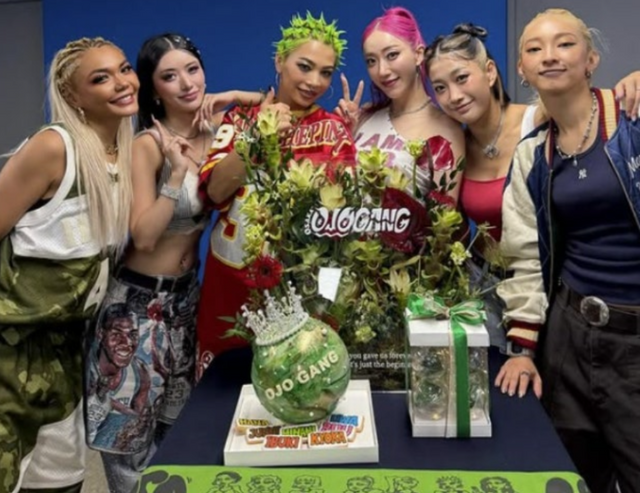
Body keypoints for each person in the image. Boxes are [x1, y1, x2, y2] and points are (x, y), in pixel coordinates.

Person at [83, 33, 263, 492]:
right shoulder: (149, 143)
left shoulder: (220, 130)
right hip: (137, 309)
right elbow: (143, 235)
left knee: (179, 440)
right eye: (169, 76)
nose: (186, 84)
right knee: (128, 444)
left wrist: (234, 95)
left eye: (192, 70)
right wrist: (177, 174)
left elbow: (275, 107)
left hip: (187, 305)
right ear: (154, 89)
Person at [425, 23, 640, 353]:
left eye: (462, 78)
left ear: (490, 72)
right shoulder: (455, 146)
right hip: (483, 285)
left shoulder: (537, 122)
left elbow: (583, 101)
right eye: (440, 88)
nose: (454, 96)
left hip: (547, 284)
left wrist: (636, 79)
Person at [494, 9, 640, 493]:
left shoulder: (632, 120)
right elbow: (524, 255)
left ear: (591, 59)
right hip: (568, 338)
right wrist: (522, 350)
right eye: (534, 49)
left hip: (634, 339)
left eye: (565, 44)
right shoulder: (533, 153)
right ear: (522, 69)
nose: (550, 56)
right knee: (573, 476)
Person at [0, 37, 138, 493]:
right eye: (101, 78)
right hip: (10, 347)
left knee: (59, 482)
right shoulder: (54, 147)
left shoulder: (123, 152)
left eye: (124, 69)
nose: (122, 82)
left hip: (67, 352)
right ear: (72, 95)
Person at [196, 12, 357, 371]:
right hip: (232, 290)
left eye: (326, 72)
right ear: (279, 61)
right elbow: (214, 192)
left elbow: (343, 223)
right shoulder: (240, 119)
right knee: (224, 393)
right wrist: (258, 138)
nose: (314, 81)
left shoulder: (333, 130)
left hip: (302, 292)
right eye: (304, 66)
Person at [338, 7, 465, 199]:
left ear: (418, 54)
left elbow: (444, 214)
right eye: (371, 61)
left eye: (392, 55)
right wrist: (342, 136)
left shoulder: (446, 129)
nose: (382, 71)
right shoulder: (364, 116)